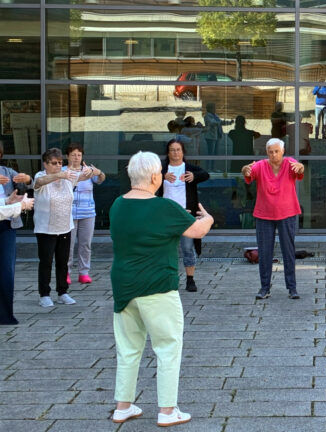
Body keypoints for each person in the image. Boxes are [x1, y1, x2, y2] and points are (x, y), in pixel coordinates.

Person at [109, 151, 213, 427]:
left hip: (123, 285)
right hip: (157, 285)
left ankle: (123, 406)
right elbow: (197, 230)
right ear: (156, 177)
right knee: (168, 347)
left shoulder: (117, 205)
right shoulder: (164, 207)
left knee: (128, 348)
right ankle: (167, 411)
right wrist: (209, 219)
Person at [241, 138, 304, 300]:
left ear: (283, 151)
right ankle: (264, 288)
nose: (274, 154)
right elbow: (249, 172)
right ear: (267, 152)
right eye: (270, 152)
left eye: (277, 151)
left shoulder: (290, 163)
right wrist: (245, 170)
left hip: (287, 213)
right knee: (264, 252)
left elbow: (299, 170)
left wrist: (301, 167)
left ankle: (292, 288)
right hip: (264, 214)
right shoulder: (261, 165)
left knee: (288, 251)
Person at [157, 139, 210, 292]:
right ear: (168, 152)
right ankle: (166, 279)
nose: (176, 153)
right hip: (166, 216)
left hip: (186, 215)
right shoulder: (162, 169)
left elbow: (205, 174)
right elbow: (148, 178)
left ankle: (190, 280)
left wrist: (194, 176)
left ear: (183, 152)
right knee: (166, 249)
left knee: (187, 248)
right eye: (172, 150)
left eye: (178, 149)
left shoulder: (188, 168)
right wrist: (162, 177)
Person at [33, 148, 84, 308]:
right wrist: (59, 174)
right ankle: (44, 294)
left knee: (63, 262)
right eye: (54, 163)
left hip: (65, 227)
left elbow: (84, 176)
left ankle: (63, 292)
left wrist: (95, 172)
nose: (58, 166)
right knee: (46, 262)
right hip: (46, 229)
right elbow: (38, 184)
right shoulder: (40, 176)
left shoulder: (67, 177)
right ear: (46, 164)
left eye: (60, 163)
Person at [63, 143, 105, 285]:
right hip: (68, 214)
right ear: (67, 156)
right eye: (73, 155)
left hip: (88, 213)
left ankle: (84, 273)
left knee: (85, 244)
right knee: (68, 245)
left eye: (79, 155)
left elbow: (101, 179)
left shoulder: (87, 171)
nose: (76, 158)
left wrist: (97, 172)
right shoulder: (63, 171)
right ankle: (65, 272)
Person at [0, 141, 32, 324]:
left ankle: (5, 315)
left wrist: (25, 179)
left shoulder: (7, 172)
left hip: (7, 225)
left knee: (6, 270)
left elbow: (29, 184)